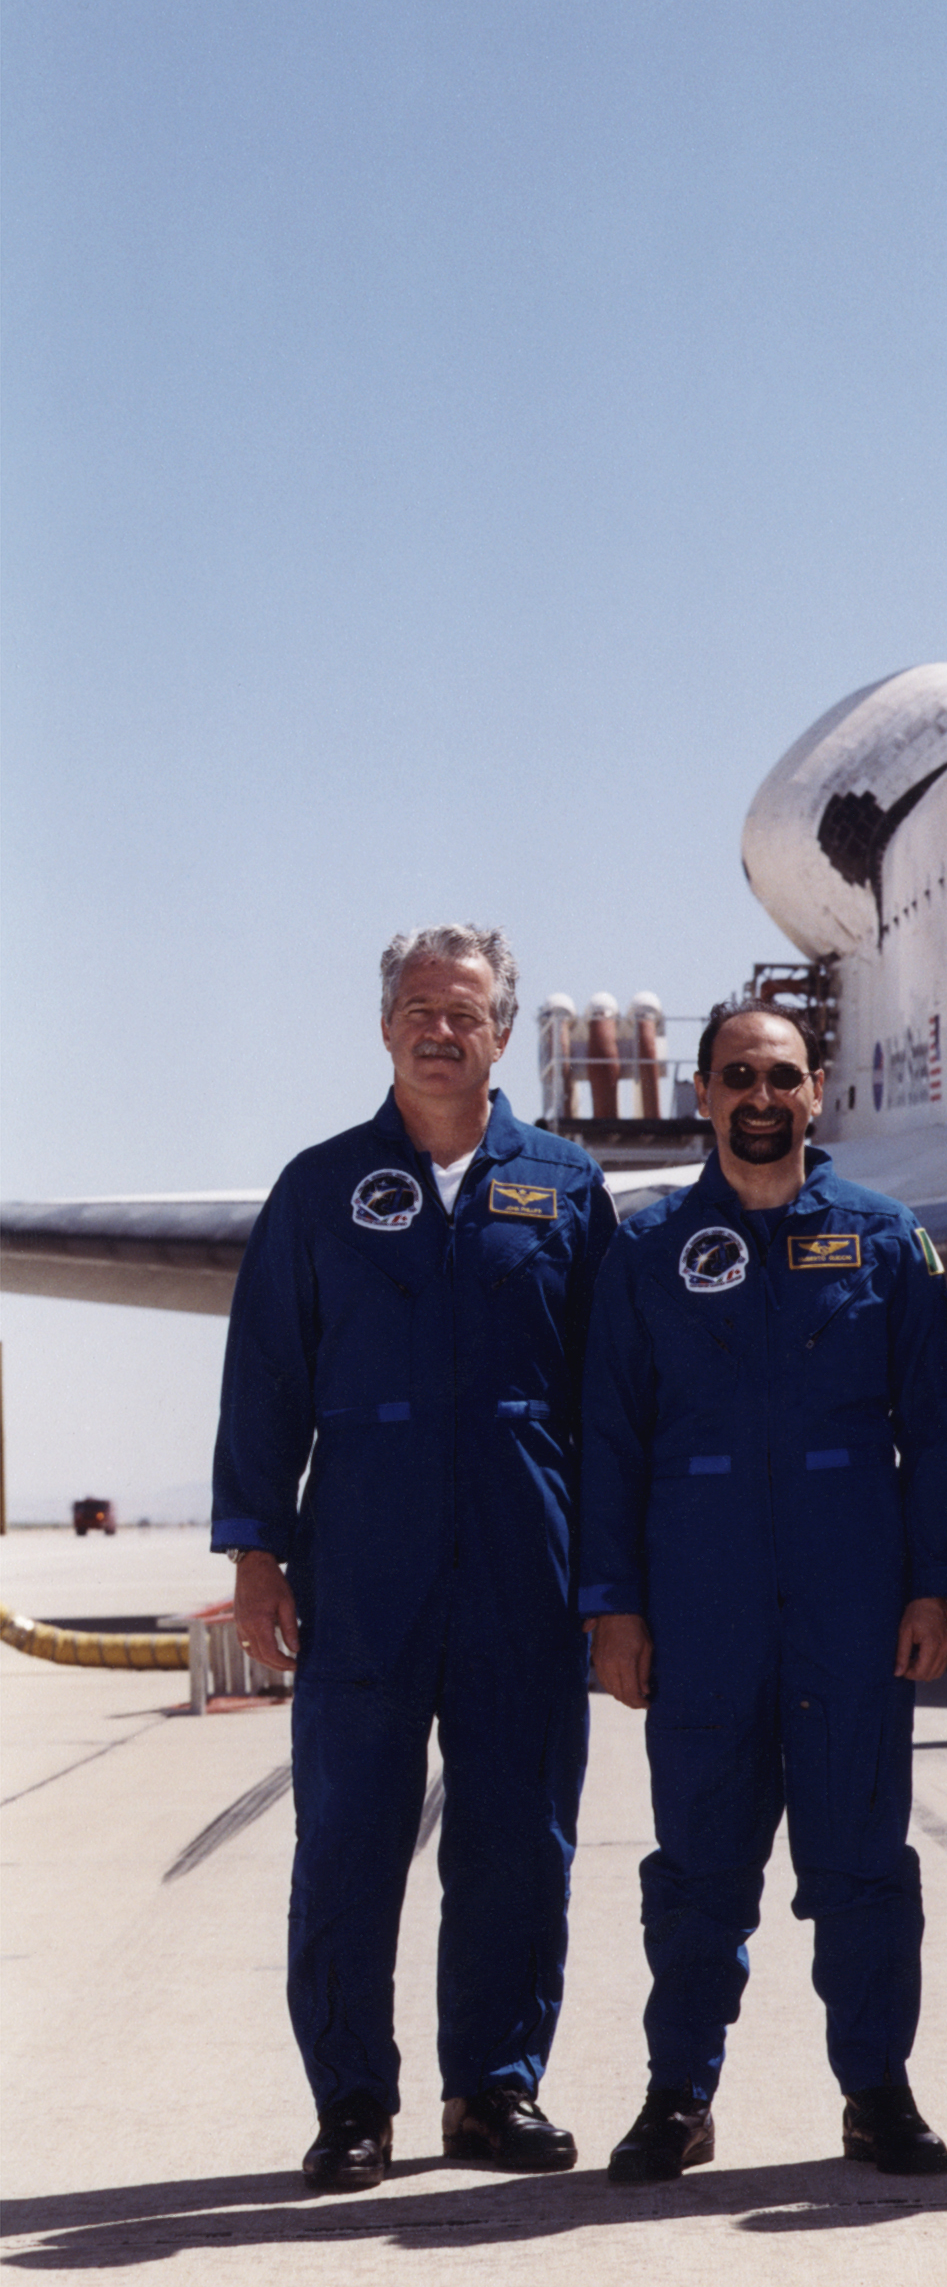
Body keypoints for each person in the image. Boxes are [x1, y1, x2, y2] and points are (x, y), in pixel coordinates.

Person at [212, 925, 612, 2191]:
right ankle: (352, 2103)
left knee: (518, 1837)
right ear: (386, 1027)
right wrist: (258, 1556)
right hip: (367, 1566)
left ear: (506, 1031)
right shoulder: (320, 1189)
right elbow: (265, 1383)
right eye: (421, 1010)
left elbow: (613, 1400)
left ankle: (494, 2090)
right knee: (346, 1838)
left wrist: (613, 1588)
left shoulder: (566, 1187)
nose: (444, 1030)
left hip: (523, 1560)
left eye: (470, 1011)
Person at [577, 998, 947, 2182]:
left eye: (783, 1078)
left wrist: (932, 1589)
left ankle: (876, 2093)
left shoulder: (886, 1240)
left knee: (861, 1863)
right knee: (698, 1870)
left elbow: (934, 1436)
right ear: (701, 1092)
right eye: (739, 1076)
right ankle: (678, 2096)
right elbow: (608, 1440)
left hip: (852, 1607)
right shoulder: (645, 1254)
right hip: (702, 1613)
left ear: (816, 1091)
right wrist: (615, 1607)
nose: (762, 1099)